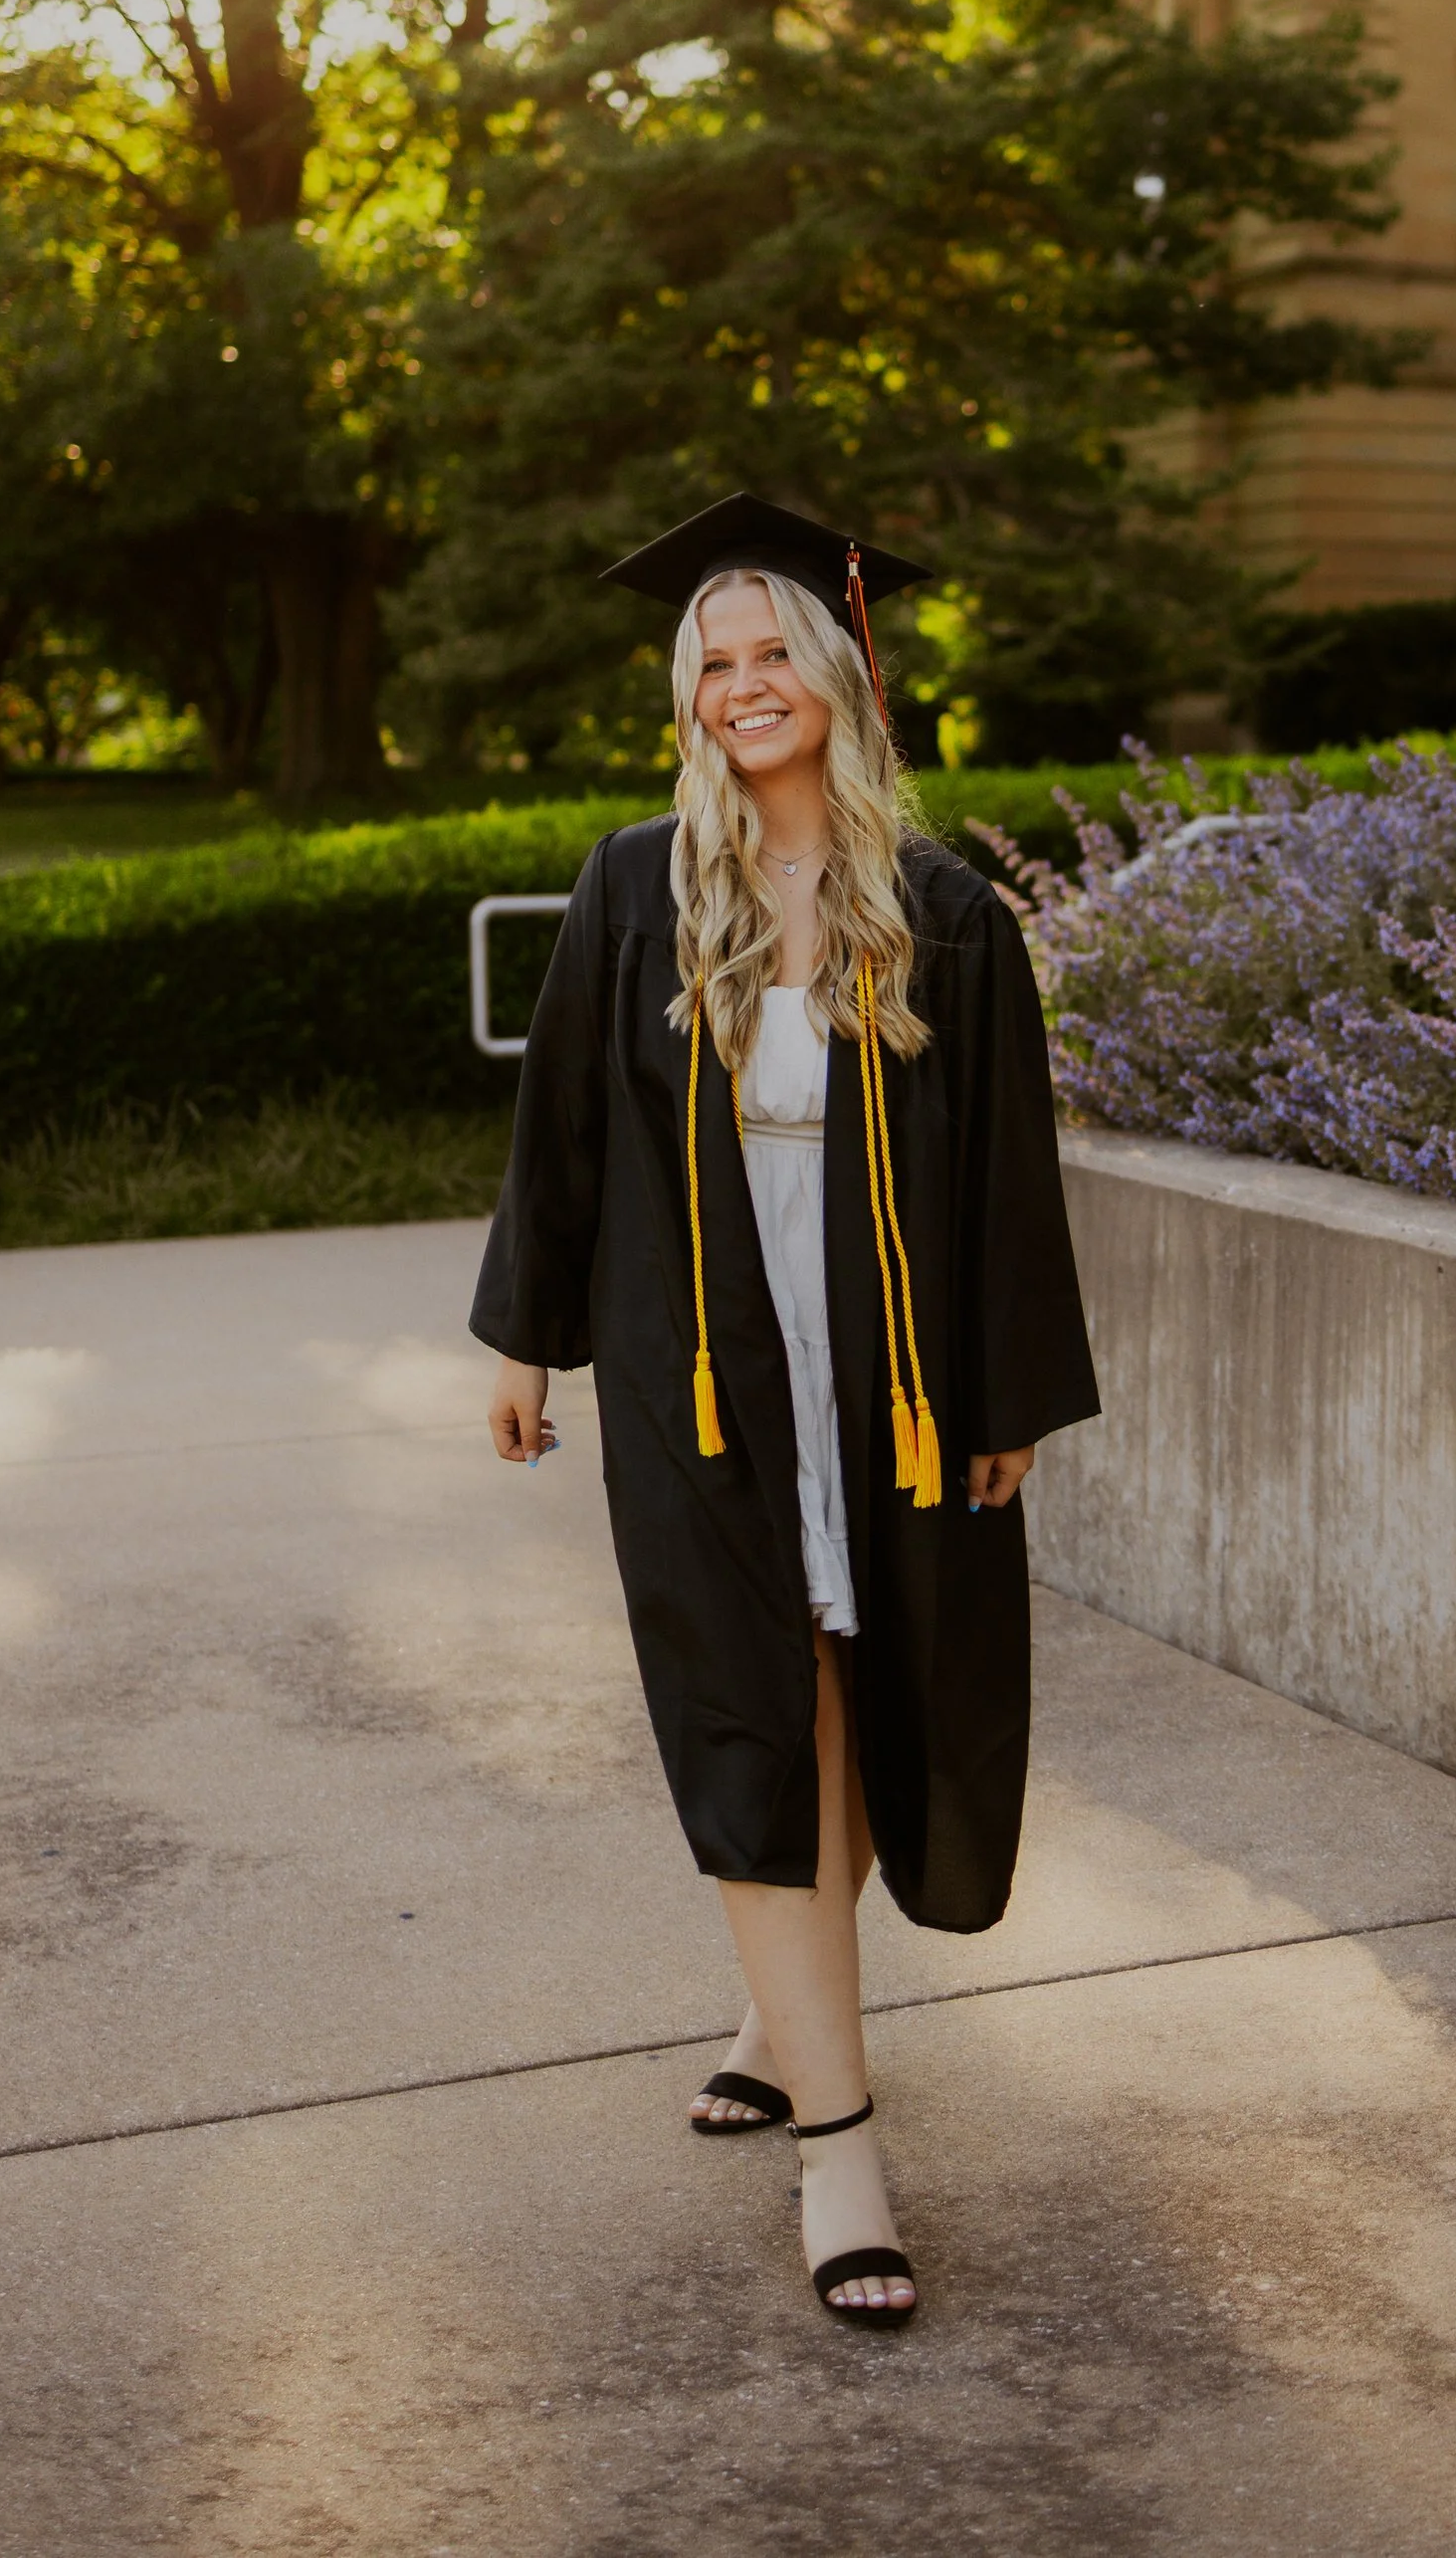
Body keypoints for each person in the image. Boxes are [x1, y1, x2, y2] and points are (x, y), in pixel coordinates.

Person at [473, 493, 1098, 2330]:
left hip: (891, 1386)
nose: (746, 687)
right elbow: (564, 1137)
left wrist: (1009, 1397)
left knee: (863, 1678)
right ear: (692, 695)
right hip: (709, 1382)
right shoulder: (631, 888)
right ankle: (843, 2140)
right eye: (715, 663)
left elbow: (1007, 1178)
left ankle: (776, 2003)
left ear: (838, 672)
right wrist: (521, 1337)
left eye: (773, 655)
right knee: (753, 1699)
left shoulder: (953, 916)